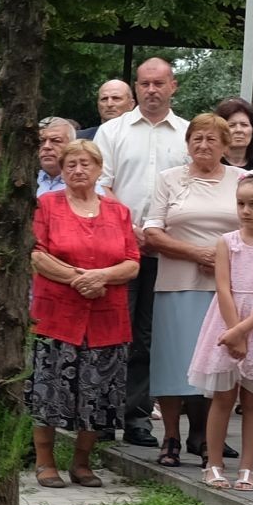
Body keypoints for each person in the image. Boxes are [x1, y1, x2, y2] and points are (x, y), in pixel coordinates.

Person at [28, 138, 142, 485]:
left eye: (85, 164)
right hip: (56, 316)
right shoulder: (46, 205)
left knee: (97, 392)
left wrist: (102, 276)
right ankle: (45, 461)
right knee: (49, 391)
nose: (78, 170)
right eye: (71, 165)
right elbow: (36, 254)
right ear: (61, 171)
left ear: (98, 169)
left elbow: (133, 262)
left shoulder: (118, 212)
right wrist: (78, 279)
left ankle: (82, 462)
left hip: (106, 318)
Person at [93, 58, 190, 447]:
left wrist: (159, 232)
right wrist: (133, 229)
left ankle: (135, 416)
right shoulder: (113, 131)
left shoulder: (187, 134)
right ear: (137, 88)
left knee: (150, 337)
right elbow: (102, 185)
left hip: (167, 251)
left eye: (159, 83)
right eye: (145, 84)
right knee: (111, 332)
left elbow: (191, 186)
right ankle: (99, 415)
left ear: (173, 86)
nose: (152, 90)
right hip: (119, 249)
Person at [139, 112, 237, 464]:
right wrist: (195, 252)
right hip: (176, 280)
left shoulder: (243, 180)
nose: (204, 144)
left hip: (227, 286)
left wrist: (224, 258)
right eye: (197, 138)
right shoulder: (169, 180)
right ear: (187, 143)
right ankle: (170, 437)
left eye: (212, 139)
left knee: (216, 364)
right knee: (173, 361)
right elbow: (152, 231)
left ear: (226, 145)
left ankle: (206, 437)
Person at [192, 172, 253, 488]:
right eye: (240, 204)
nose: (246, 210)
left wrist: (244, 332)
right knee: (222, 398)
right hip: (226, 322)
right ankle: (213, 462)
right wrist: (233, 330)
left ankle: (248, 467)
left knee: (252, 402)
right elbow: (223, 288)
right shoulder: (227, 243)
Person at [34, 116, 77, 194]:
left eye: (56, 141)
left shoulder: (86, 185)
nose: (46, 146)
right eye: (41, 141)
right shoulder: (26, 183)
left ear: (71, 146)